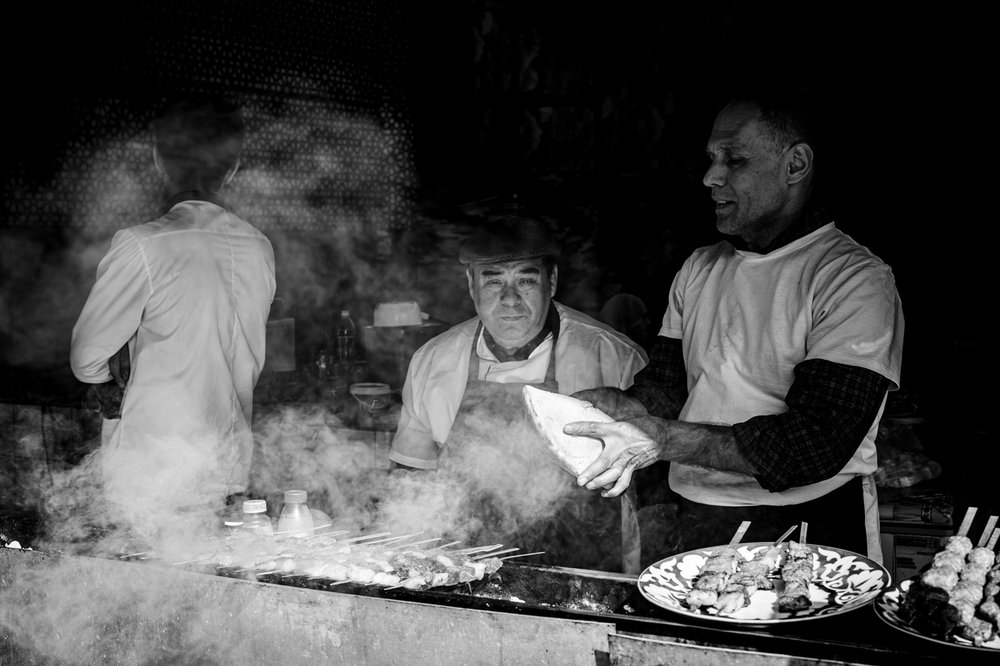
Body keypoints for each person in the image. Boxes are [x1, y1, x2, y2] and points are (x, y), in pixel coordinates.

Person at [565, 86, 904, 564]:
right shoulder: (700, 268)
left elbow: (816, 444)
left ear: (796, 166)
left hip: (809, 520)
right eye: (710, 158)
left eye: (734, 160)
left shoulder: (853, 279)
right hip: (695, 512)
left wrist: (661, 438)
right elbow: (669, 388)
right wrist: (625, 409)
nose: (710, 177)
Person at [388, 215, 648, 573]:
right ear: (471, 284)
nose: (510, 300)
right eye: (493, 282)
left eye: (526, 280)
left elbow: (651, 490)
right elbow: (411, 476)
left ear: (552, 281)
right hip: (464, 573)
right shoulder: (433, 361)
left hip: (585, 573)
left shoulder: (614, 357)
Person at [70, 93, 276, 534]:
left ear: (159, 161)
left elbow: (88, 354)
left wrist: (103, 384)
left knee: (154, 590)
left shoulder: (143, 244)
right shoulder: (258, 245)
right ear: (234, 167)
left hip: (155, 467)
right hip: (229, 457)